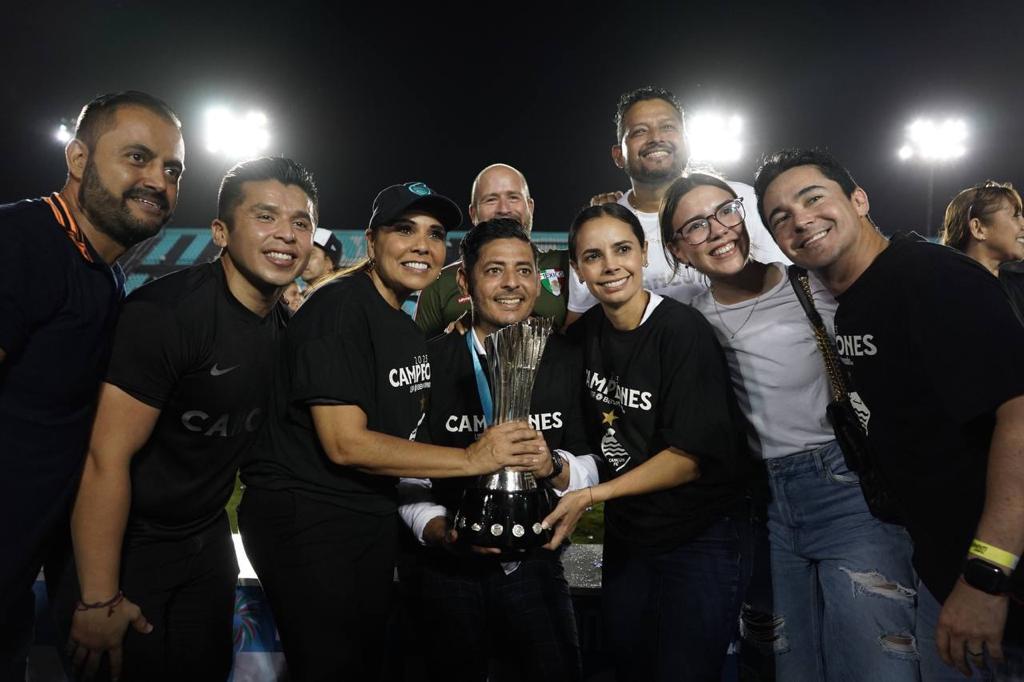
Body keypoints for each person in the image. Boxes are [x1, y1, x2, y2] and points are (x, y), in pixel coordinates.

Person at [238, 182, 547, 681]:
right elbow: (345, 444)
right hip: (308, 520)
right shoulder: (338, 307)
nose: (422, 245)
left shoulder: (402, 326)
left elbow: (398, 442)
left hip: (362, 518)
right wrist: (474, 460)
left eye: (435, 233)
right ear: (370, 241)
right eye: (404, 230)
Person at [755, 148, 1024, 680]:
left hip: (998, 580)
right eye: (780, 217)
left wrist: (988, 574)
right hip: (944, 572)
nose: (800, 219)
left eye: (813, 198)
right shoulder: (857, 300)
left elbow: (1018, 417)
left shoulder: (933, 277)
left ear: (858, 200)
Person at [59, 157, 316, 681]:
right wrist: (97, 599)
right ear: (220, 231)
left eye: (301, 222)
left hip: (204, 538)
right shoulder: (166, 316)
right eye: (266, 217)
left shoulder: (288, 329)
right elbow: (104, 458)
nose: (286, 235)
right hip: (126, 544)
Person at [660, 172, 919, 680]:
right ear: (679, 249)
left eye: (725, 211)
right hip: (758, 508)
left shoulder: (810, 283)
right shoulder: (686, 317)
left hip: (844, 492)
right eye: (695, 226)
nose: (716, 230)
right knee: (786, 666)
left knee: (879, 660)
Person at [0, 90, 184, 678]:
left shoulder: (99, 274)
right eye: (137, 157)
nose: (157, 179)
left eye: (172, 169)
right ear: (78, 160)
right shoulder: (21, 243)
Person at [543, 203, 754, 682]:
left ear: (642, 254)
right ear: (577, 269)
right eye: (593, 256)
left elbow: (687, 461)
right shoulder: (584, 337)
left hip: (699, 532)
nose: (610, 265)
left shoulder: (681, 331)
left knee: (687, 671)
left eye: (622, 249)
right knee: (628, 666)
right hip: (630, 535)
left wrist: (593, 495)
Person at [399, 217, 598, 682]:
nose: (512, 283)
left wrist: (554, 467)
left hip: (536, 564)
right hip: (446, 567)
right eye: (494, 271)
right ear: (465, 281)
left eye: (524, 270)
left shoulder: (569, 358)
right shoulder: (429, 360)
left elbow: (594, 459)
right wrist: (437, 530)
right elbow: (403, 469)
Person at [564, 86, 787, 325]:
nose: (656, 138)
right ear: (619, 155)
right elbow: (579, 321)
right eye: (639, 131)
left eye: (667, 127)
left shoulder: (742, 200)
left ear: (688, 143)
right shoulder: (603, 227)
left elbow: (789, 287)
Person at [414, 163, 570, 335]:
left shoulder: (568, 264)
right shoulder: (438, 285)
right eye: (491, 199)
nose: (503, 209)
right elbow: (420, 355)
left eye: (513, 197)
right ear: (473, 213)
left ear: (530, 207)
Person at [941, 180, 1024, 319]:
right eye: (1015, 216)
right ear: (978, 229)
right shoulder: (938, 292)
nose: (1023, 224)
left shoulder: (1017, 289)